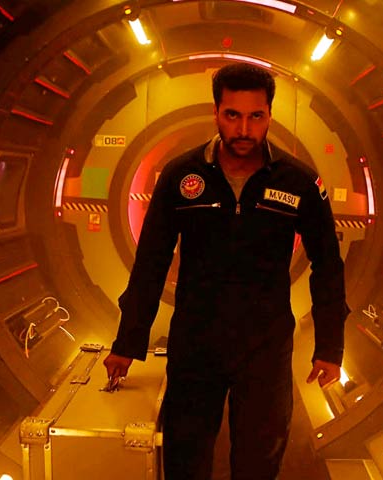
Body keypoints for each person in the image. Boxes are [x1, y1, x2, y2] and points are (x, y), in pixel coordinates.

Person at [104, 62, 348, 480]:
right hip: (196, 342)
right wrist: (128, 342)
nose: (244, 129)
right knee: (185, 461)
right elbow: (151, 262)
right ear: (216, 113)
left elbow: (327, 265)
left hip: (266, 347)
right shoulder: (181, 176)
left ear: (269, 116)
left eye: (256, 116)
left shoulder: (300, 182)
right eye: (233, 115)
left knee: (258, 464)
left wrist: (330, 347)